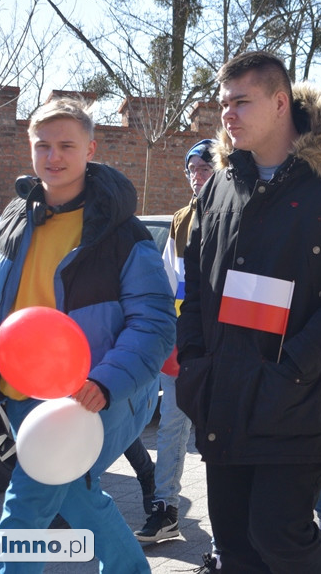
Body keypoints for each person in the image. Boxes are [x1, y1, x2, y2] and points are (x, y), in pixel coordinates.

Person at [0, 99, 176, 573]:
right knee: (80, 499)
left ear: (91, 147)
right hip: (20, 395)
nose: (53, 156)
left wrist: (106, 383)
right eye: (42, 145)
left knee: (26, 507)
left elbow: (154, 323)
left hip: (89, 397)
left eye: (66, 144)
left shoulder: (120, 233)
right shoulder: (13, 220)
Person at [176, 52, 321, 573]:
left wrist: (295, 364)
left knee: (279, 535)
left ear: (280, 102)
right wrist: (193, 362)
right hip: (225, 396)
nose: (227, 114)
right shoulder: (221, 187)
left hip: (300, 397)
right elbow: (197, 284)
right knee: (234, 547)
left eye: (241, 102)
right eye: (223, 103)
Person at [134, 138, 215, 544]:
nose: (197, 177)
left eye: (204, 168)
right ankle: (165, 508)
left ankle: (233, 522)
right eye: (192, 171)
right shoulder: (183, 219)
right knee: (171, 428)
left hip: (226, 347)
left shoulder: (242, 210)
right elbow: (170, 284)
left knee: (219, 433)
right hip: (184, 345)